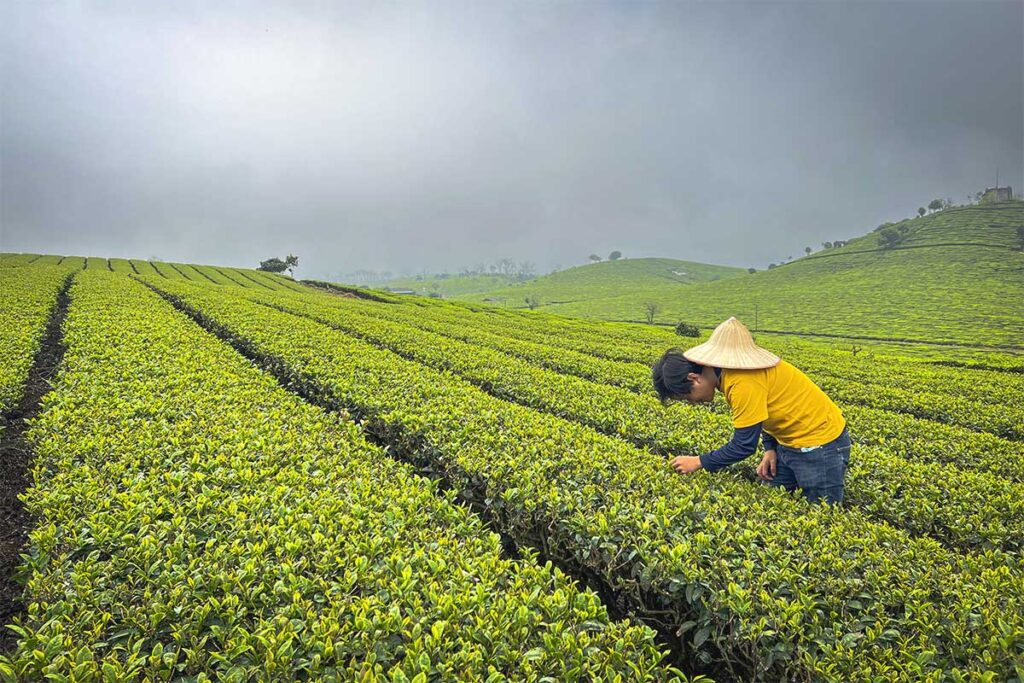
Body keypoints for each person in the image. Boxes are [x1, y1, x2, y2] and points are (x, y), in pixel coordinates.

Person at [651, 317, 850, 504]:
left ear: (694, 378)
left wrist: (698, 462)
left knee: (821, 511)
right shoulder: (728, 376)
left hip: (821, 444)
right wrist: (770, 449)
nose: (692, 403)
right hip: (787, 443)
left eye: (687, 397)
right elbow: (763, 411)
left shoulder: (741, 383)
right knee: (774, 504)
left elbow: (743, 446)